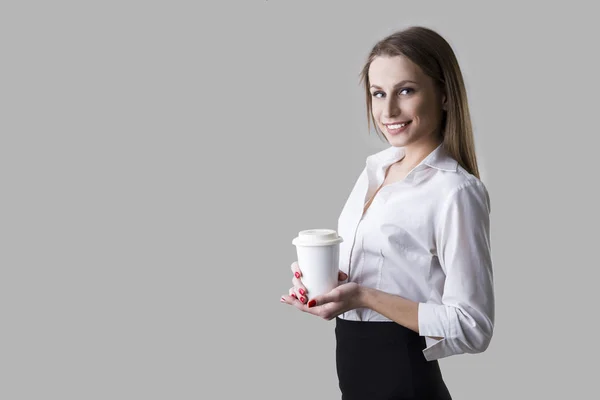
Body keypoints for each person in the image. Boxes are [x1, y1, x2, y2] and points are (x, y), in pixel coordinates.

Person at [280, 26, 494, 399]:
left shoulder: (455, 191)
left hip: (406, 385)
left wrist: (363, 296)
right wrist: (324, 284)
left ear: (444, 94)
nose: (388, 110)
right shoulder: (374, 171)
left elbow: (474, 326)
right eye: (378, 94)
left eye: (406, 91)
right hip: (356, 381)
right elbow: (383, 272)